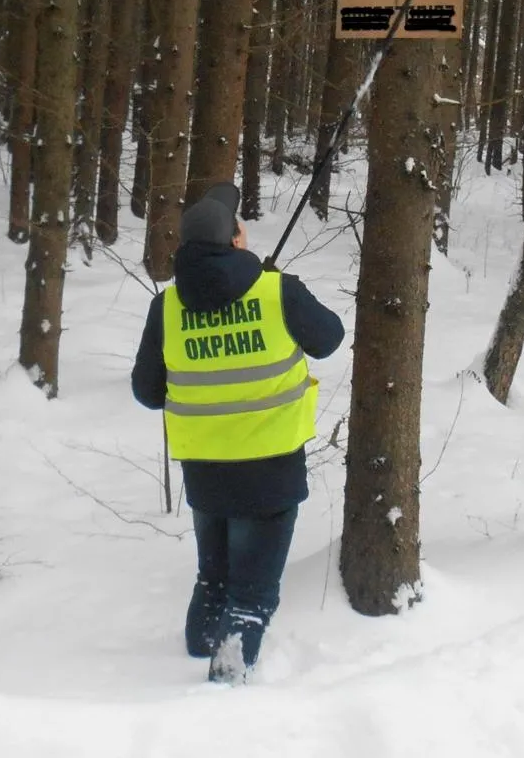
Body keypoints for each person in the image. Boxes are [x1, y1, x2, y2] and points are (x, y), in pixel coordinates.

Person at [131, 182, 345, 684]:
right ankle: (223, 688)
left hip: (205, 469)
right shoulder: (276, 291)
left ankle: (199, 643)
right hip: (270, 467)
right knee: (252, 594)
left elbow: (147, 390)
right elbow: (330, 338)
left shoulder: (167, 307)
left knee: (216, 576)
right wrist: (272, 288)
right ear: (235, 240)